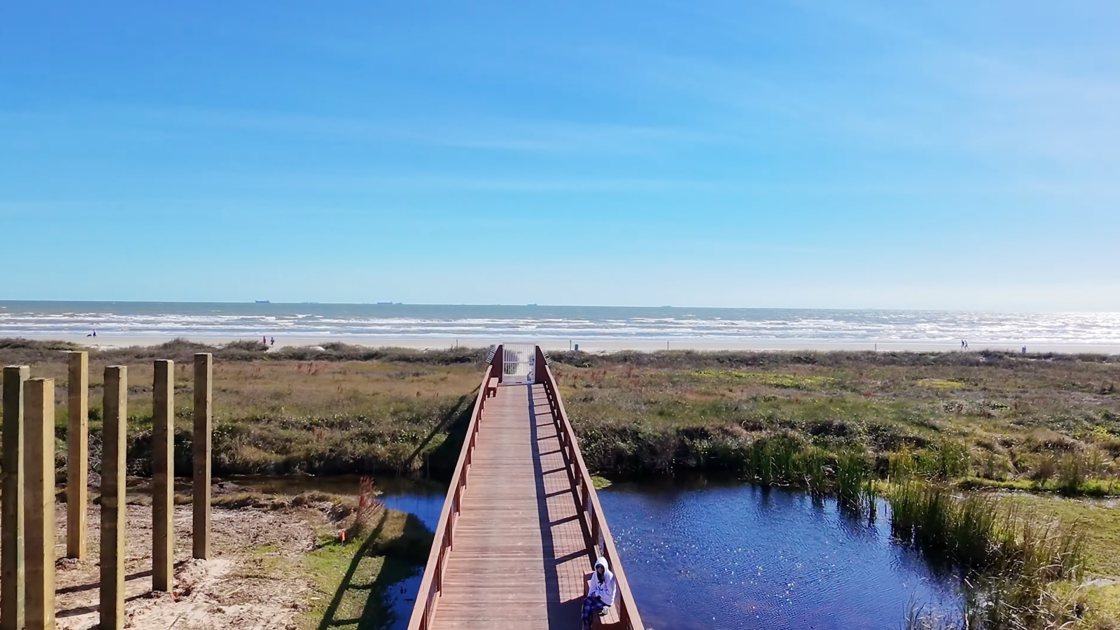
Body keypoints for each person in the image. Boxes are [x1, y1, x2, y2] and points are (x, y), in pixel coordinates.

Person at [582, 557, 616, 629]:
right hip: (598, 597)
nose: (600, 569)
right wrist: (590, 596)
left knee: (590, 608)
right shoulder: (595, 575)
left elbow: (609, 593)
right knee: (586, 601)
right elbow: (592, 586)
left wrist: (597, 593)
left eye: (601, 567)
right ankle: (586, 623)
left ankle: (605, 607)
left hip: (606, 600)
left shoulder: (609, 577)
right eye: (598, 567)